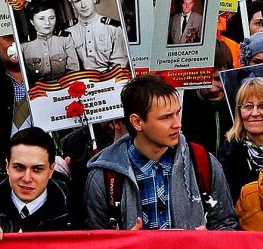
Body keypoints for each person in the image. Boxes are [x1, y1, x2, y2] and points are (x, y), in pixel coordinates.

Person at [85, 74, 237, 230]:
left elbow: (225, 224)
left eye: (177, 113)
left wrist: (208, 242)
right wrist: (124, 244)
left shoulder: (202, 163)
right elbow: (96, 240)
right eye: (166, 117)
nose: (177, 124)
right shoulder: (104, 177)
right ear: (137, 122)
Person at [0, 127, 72, 239]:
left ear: (51, 170)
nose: (27, 178)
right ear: (7, 167)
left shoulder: (75, 218)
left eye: (37, 169)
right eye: (19, 167)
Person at [218, 77, 263, 196]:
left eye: (262, 106)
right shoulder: (228, 150)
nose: (254, 113)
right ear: (239, 111)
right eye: (248, 106)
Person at [65, 0, 129, 71]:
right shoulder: (68, 32)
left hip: (111, 77)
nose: (83, 5)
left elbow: (120, 64)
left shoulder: (114, 28)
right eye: (77, 1)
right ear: (72, 5)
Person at [19, 2, 80, 83]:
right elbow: (24, 78)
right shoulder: (24, 45)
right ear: (32, 22)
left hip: (64, 86)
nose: (47, 23)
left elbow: (74, 69)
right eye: (41, 18)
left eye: (51, 18)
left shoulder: (65, 39)